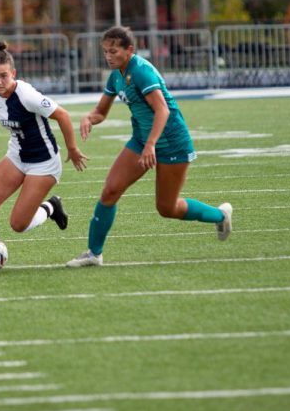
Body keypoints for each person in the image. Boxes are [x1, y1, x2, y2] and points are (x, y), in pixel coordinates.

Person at [67, 26, 232, 267]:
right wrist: (88, 118)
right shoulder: (115, 75)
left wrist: (151, 145)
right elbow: (101, 112)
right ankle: (94, 253)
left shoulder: (142, 72)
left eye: (113, 51)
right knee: (110, 190)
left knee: (167, 207)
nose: (108, 56)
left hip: (171, 143)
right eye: (105, 51)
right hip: (142, 140)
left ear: (129, 50)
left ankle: (220, 215)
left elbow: (162, 109)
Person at [0, 40, 88, 268]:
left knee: (18, 224)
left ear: (13, 73)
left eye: (4, 75)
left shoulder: (27, 95)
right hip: (17, 156)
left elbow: (63, 116)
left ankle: (51, 207)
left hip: (44, 163)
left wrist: (73, 150)